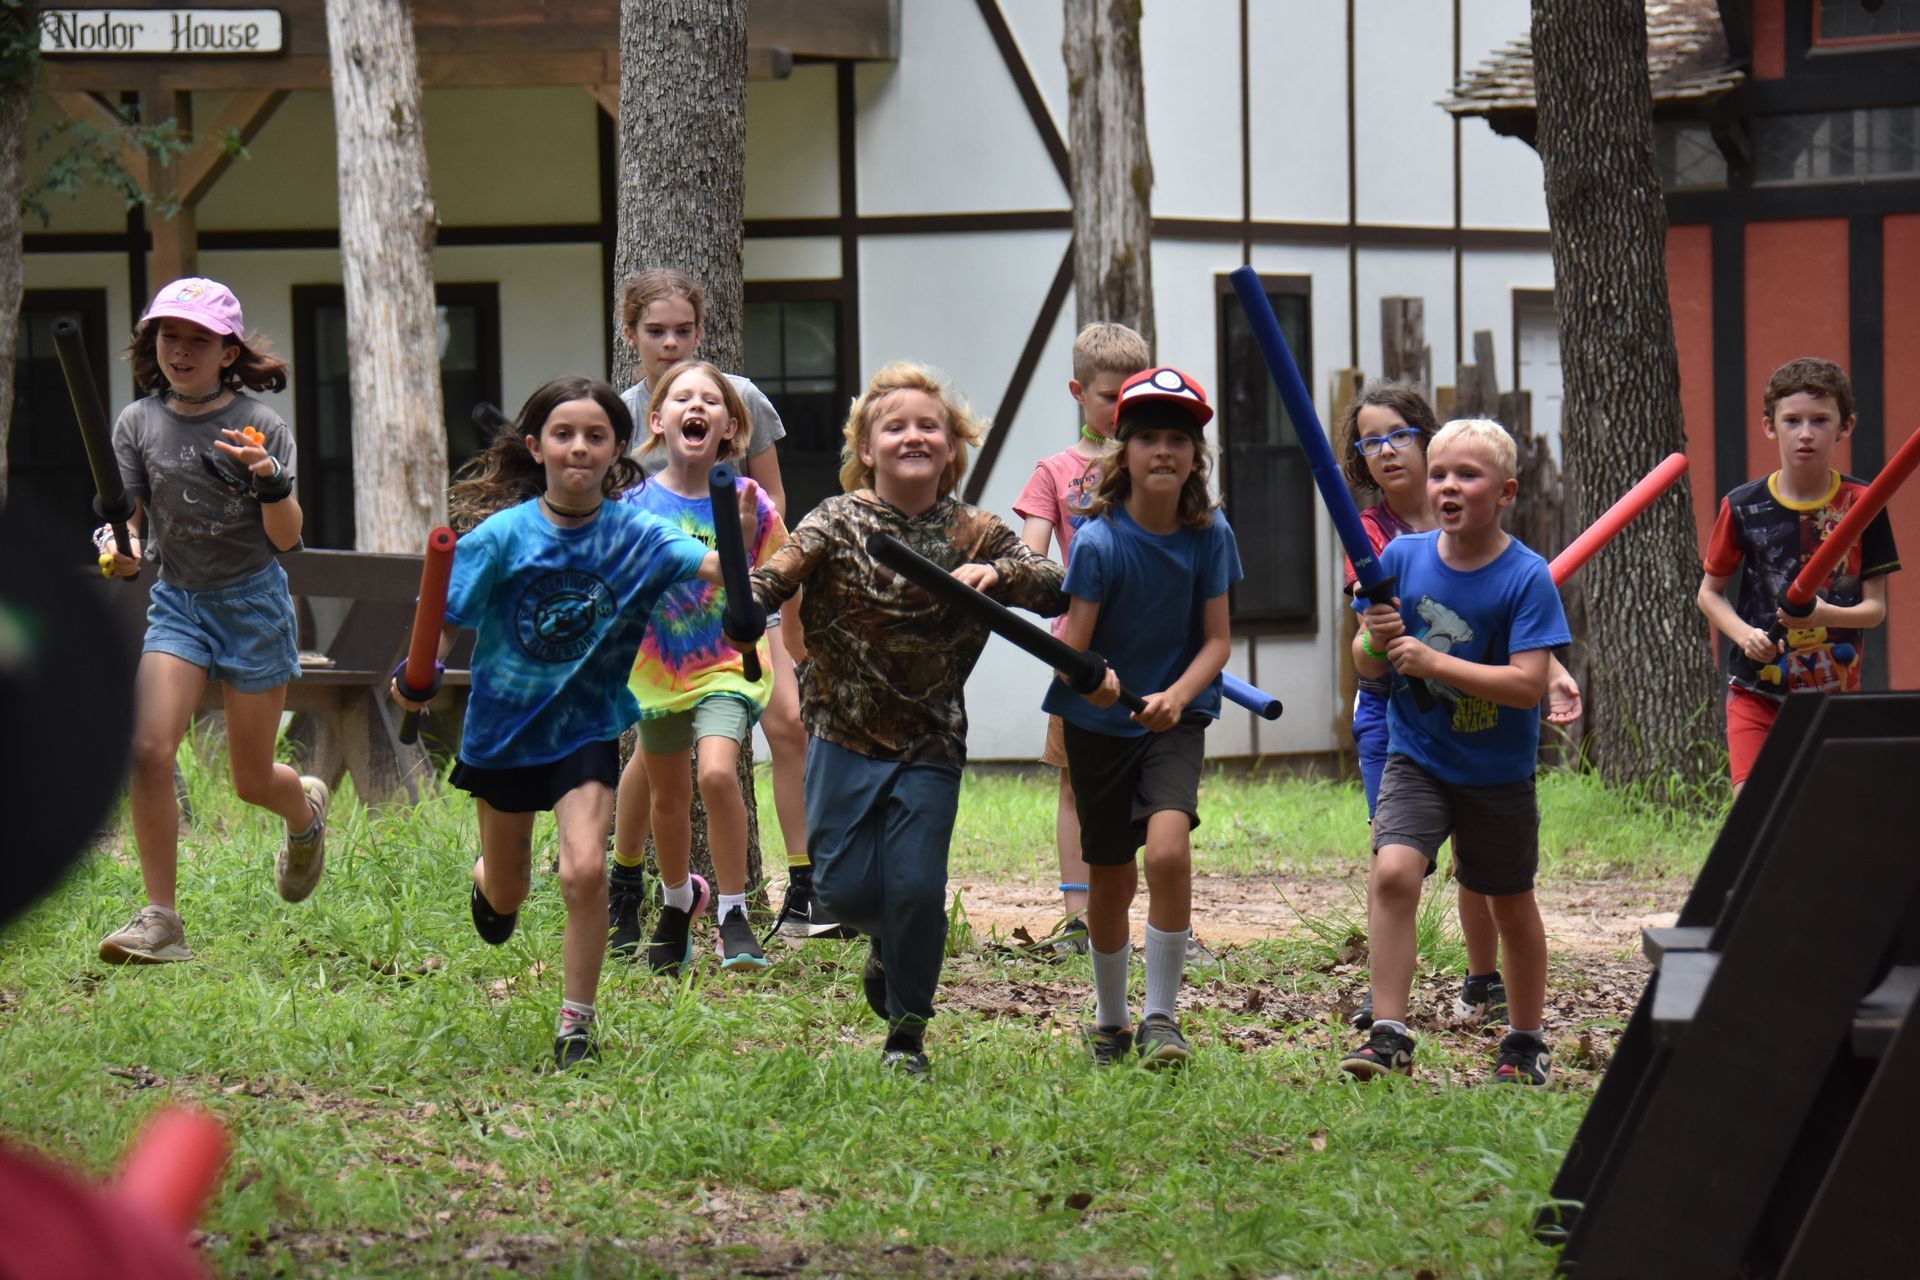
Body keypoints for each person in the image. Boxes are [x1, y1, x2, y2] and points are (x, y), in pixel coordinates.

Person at [397, 375, 759, 1070]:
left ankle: (576, 1025)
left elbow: (713, 568)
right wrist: (417, 676)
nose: (579, 448)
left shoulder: (639, 537)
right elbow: (441, 618)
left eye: (596, 436)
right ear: (536, 447)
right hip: (504, 735)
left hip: (584, 730)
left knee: (585, 871)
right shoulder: (502, 537)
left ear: (618, 448)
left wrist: (738, 540)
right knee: (508, 895)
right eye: (563, 434)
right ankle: (490, 881)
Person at [742, 362, 1065, 1075]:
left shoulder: (975, 530)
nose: (914, 436)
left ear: (953, 446)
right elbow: (776, 576)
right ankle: (883, 943)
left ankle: (906, 1037)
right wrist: (743, 598)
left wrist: (998, 575)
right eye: (896, 426)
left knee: (917, 892)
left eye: (930, 426)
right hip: (840, 733)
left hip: (930, 739)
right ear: (867, 448)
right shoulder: (836, 519)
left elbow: (1051, 584)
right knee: (847, 892)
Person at [96, 278, 329, 966]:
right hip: (181, 604)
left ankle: (303, 812)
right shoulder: (137, 422)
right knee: (146, 749)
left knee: (251, 781)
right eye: (170, 336)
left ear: (229, 351)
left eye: (199, 338)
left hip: (253, 605)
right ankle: (161, 919)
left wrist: (268, 477)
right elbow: (127, 519)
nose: (181, 350)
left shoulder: (261, 423)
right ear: (153, 345)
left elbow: (288, 539)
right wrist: (118, 547)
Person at [1336, 383, 1581, 1033]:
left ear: (1503, 493)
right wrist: (1377, 639)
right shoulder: (1383, 546)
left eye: (1399, 437)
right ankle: (1389, 1025)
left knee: (1496, 891)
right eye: (1370, 441)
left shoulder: (1517, 567)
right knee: (1394, 866)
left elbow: (1511, 647)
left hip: (1491, 756)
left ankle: (1499, 1002)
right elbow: (1366, 657)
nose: (1387, 452)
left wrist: (1550, 670)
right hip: (1405, 730)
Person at [608, 270, 832, 942]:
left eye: (683, 330)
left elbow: (772, 501)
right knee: (652, 763)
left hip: (745, 594)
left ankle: (804, 887)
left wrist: (758, 585)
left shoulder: (739, 399)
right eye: (656, 332)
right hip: (664, 632)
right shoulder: (621, 419)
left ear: (701, 331)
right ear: (631, 336)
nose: (671, 344)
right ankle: (630, 883)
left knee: (788, 725)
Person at [1049, 367, 1240, 1069]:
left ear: (1196, 456)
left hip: (1174, 718)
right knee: (1111, 877)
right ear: (1121, 449)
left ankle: (1162, 1017)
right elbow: (1076, 649)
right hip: (1098, 723)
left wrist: (1178, 698)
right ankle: (1111, 1020)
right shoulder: (1099, 542)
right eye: (1149, 437)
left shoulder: (1209, 534)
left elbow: (1217, 640)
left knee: (1166, 851)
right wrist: (1096, 684)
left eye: (1179, 439)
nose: (1164, 451)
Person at [617, 361, 785, 975]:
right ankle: (677, 900)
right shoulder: (633, 504)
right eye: (681, 398)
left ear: (730, 427)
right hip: (655, 669)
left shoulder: (749, 499)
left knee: (717, 773)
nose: (698, 407)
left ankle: (734, 913)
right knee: (668, 793)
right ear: (657, 422)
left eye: (711, 401)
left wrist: (789, 630)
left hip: (728, 662)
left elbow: (783, 572)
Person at [1697, 357, 1899, 795]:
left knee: (1822, 816)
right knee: (1751, 811)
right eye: (1792, 420)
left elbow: (1875, 610)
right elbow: (1709, 594)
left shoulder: (1863, 505)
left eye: (1820, 420)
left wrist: (1825, 614)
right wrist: (1744, 633)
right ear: (1770, 427)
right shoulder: (1742, 506)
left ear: (1845, 427)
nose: (1805, 433)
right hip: (1756, 689)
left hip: (1832, 697)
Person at [1013, 321, 1148, 958]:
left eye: (1134, 393)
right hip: (1079, 653)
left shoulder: (1160, 460)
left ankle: (1151, 913)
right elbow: (1033, 559)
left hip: (1155, 649)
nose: (1121, 408)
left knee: (1155, 783)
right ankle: (1076, 915)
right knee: (1075, 782)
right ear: (1077, 392)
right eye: (1107, 396)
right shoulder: (1055, 471)